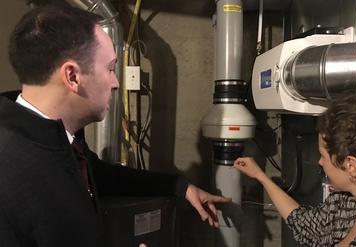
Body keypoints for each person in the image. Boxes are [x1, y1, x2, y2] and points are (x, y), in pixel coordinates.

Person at [0, 4, 230, 247]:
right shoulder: (10, 170)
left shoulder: (55, 136)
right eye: (110, 68)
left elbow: (98, 175)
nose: (116, 82)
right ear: (73, 76)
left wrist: (178, 186)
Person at [234, 94, 356, 246]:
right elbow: (303, 223)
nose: (320, 162)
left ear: (351, 166)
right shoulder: (344, 206)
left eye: (323, 155)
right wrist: (260, 175)